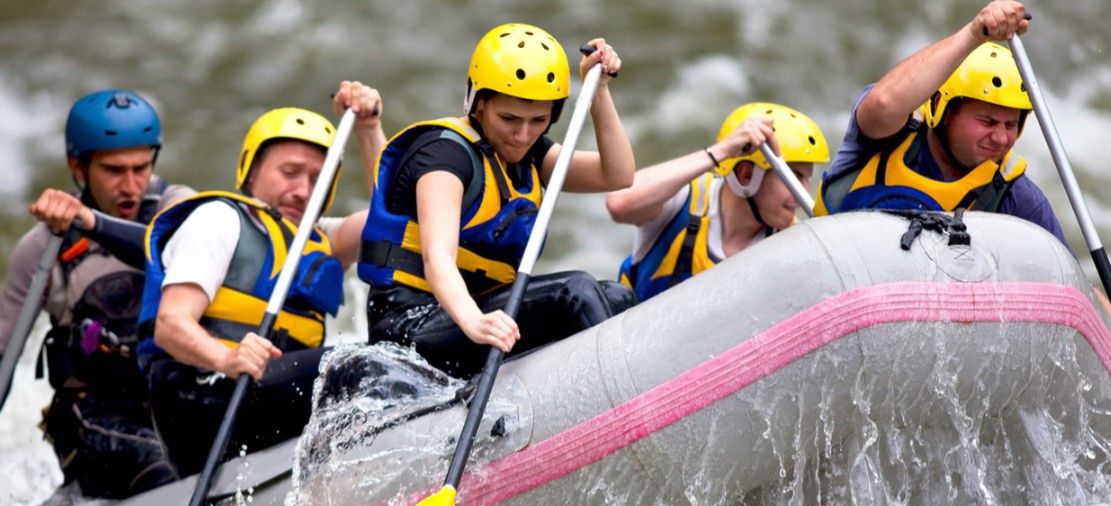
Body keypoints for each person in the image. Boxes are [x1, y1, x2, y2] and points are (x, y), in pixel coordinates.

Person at [357, 23, 637, 378]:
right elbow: (437, 258)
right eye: (509, 119)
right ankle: (618, 394)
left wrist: (598, 91)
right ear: (479, 102)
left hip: (477, 314)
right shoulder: (443, 157)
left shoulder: (530, 154)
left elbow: (618, 174)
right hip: (410, 325)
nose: (523, 135)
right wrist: (475, 322)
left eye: (539, 120)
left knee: (615, 296)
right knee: (575, 290)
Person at [137, 82, 386, 475]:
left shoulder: (324, 239)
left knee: (393, 358)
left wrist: (368, 129)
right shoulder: (219, 220)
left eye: (316, 178)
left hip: (267, 398)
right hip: (202, 400)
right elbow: (170, 324)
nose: (303, 190)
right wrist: (227, 357)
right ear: (251, 173)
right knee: (364, 368)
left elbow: (393, 219)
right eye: (290, 173)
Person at [0, 89, 193, 498]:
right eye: (113, 170)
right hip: (94, 420)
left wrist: (92, 222)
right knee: (161, 464)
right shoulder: (43, 248)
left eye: (141, 168)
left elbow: (176, 248)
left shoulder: (180, 208)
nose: (131, 185)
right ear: (78, 166)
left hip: (169, 399)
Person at [813, 0, 1065, 246]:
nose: (1001, 138)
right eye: (987, 121)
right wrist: (974, 33)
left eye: (1010, 125)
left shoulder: (1016, 198)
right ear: (939, 109)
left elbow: (1068, 280)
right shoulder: (886, 136)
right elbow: (883, 104)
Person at [607, 102, 829, 301]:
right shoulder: (684, 200)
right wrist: (722, 151)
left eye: (806, 178)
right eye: (794, 176)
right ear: (746, 175)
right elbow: (619, 203)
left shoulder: (791, 243)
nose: (803, 194)